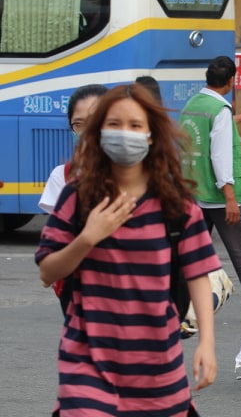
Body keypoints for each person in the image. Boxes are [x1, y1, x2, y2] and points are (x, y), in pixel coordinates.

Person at [35, 84, 220, 416]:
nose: (124, 133)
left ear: (151, 134)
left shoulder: (176, 205)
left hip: (157, 364)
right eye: (114, 124)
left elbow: (198, 274)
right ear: (99, 132)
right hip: (86, 358)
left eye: (135, 126)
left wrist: (207, 343)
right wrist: (88, 237)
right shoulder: (77, 197)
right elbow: (48, 271)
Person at [179, 56, 241, 302]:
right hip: (219, 197)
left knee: (191, 255)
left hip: (196, 194)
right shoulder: (220, 110)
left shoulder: (193, 105)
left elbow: (209, 134)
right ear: (231, 81)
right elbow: (219, 154)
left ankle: (181, 305)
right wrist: (229, 197)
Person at [38, 84, 107, 213]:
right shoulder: (62, 176)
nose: (87, 131)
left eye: (95, 122)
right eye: (78, 124)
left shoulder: (134, 175)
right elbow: (60, 231)